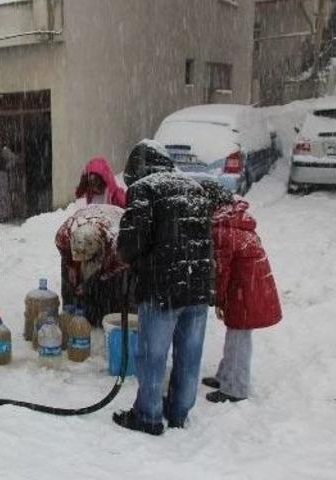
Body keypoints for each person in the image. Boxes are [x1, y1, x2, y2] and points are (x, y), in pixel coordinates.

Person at [112, 140, 213, 436]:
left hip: (162, 288)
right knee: (189, 353)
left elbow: (132, 242)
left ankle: (148, 416)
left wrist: (125, 253)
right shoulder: (194, 188)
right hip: (197, 287)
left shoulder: (146, 189)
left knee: (152, 355)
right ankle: (179, 411)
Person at [198, 179, 282, 403]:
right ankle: (225, 376)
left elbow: (221, 272)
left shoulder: (223, 230)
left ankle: (235, 388)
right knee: (235, 336)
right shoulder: (234, 220)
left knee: (238, 340)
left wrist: (217, 299)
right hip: (251, 288)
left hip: (245, 292)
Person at [55, 204, 128, 327]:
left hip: (113, 219)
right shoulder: (63, 237)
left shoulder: (117, 246)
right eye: (77, 253)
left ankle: (105, 316)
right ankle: (71, 314)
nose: (81, 258)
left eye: (85, 255)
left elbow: (109, 271)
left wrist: (90, 284)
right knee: (71, 280)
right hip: (88, 216)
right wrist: (73, 274)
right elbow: (68, 261)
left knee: (110, 284)